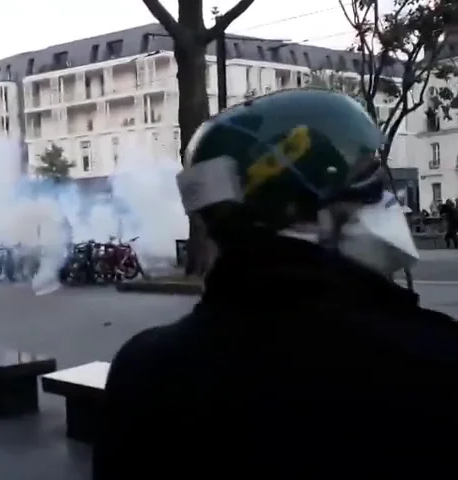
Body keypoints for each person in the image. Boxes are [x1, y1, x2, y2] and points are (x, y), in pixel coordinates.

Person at [93, 89, 458, 478]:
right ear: (308, 210)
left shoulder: (143, 369)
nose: (388, 202)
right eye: (368, 184)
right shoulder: (433, 361)